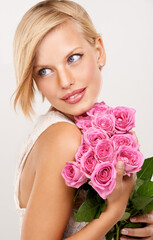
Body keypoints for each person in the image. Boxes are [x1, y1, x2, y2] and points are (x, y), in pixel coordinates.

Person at [13, 0, 153, 239]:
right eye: (44, 71)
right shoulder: (62, 137)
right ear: (34, 79)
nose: (65, 81)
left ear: (99, 51)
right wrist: (113, 213)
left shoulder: (76, 129)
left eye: (73, 58)